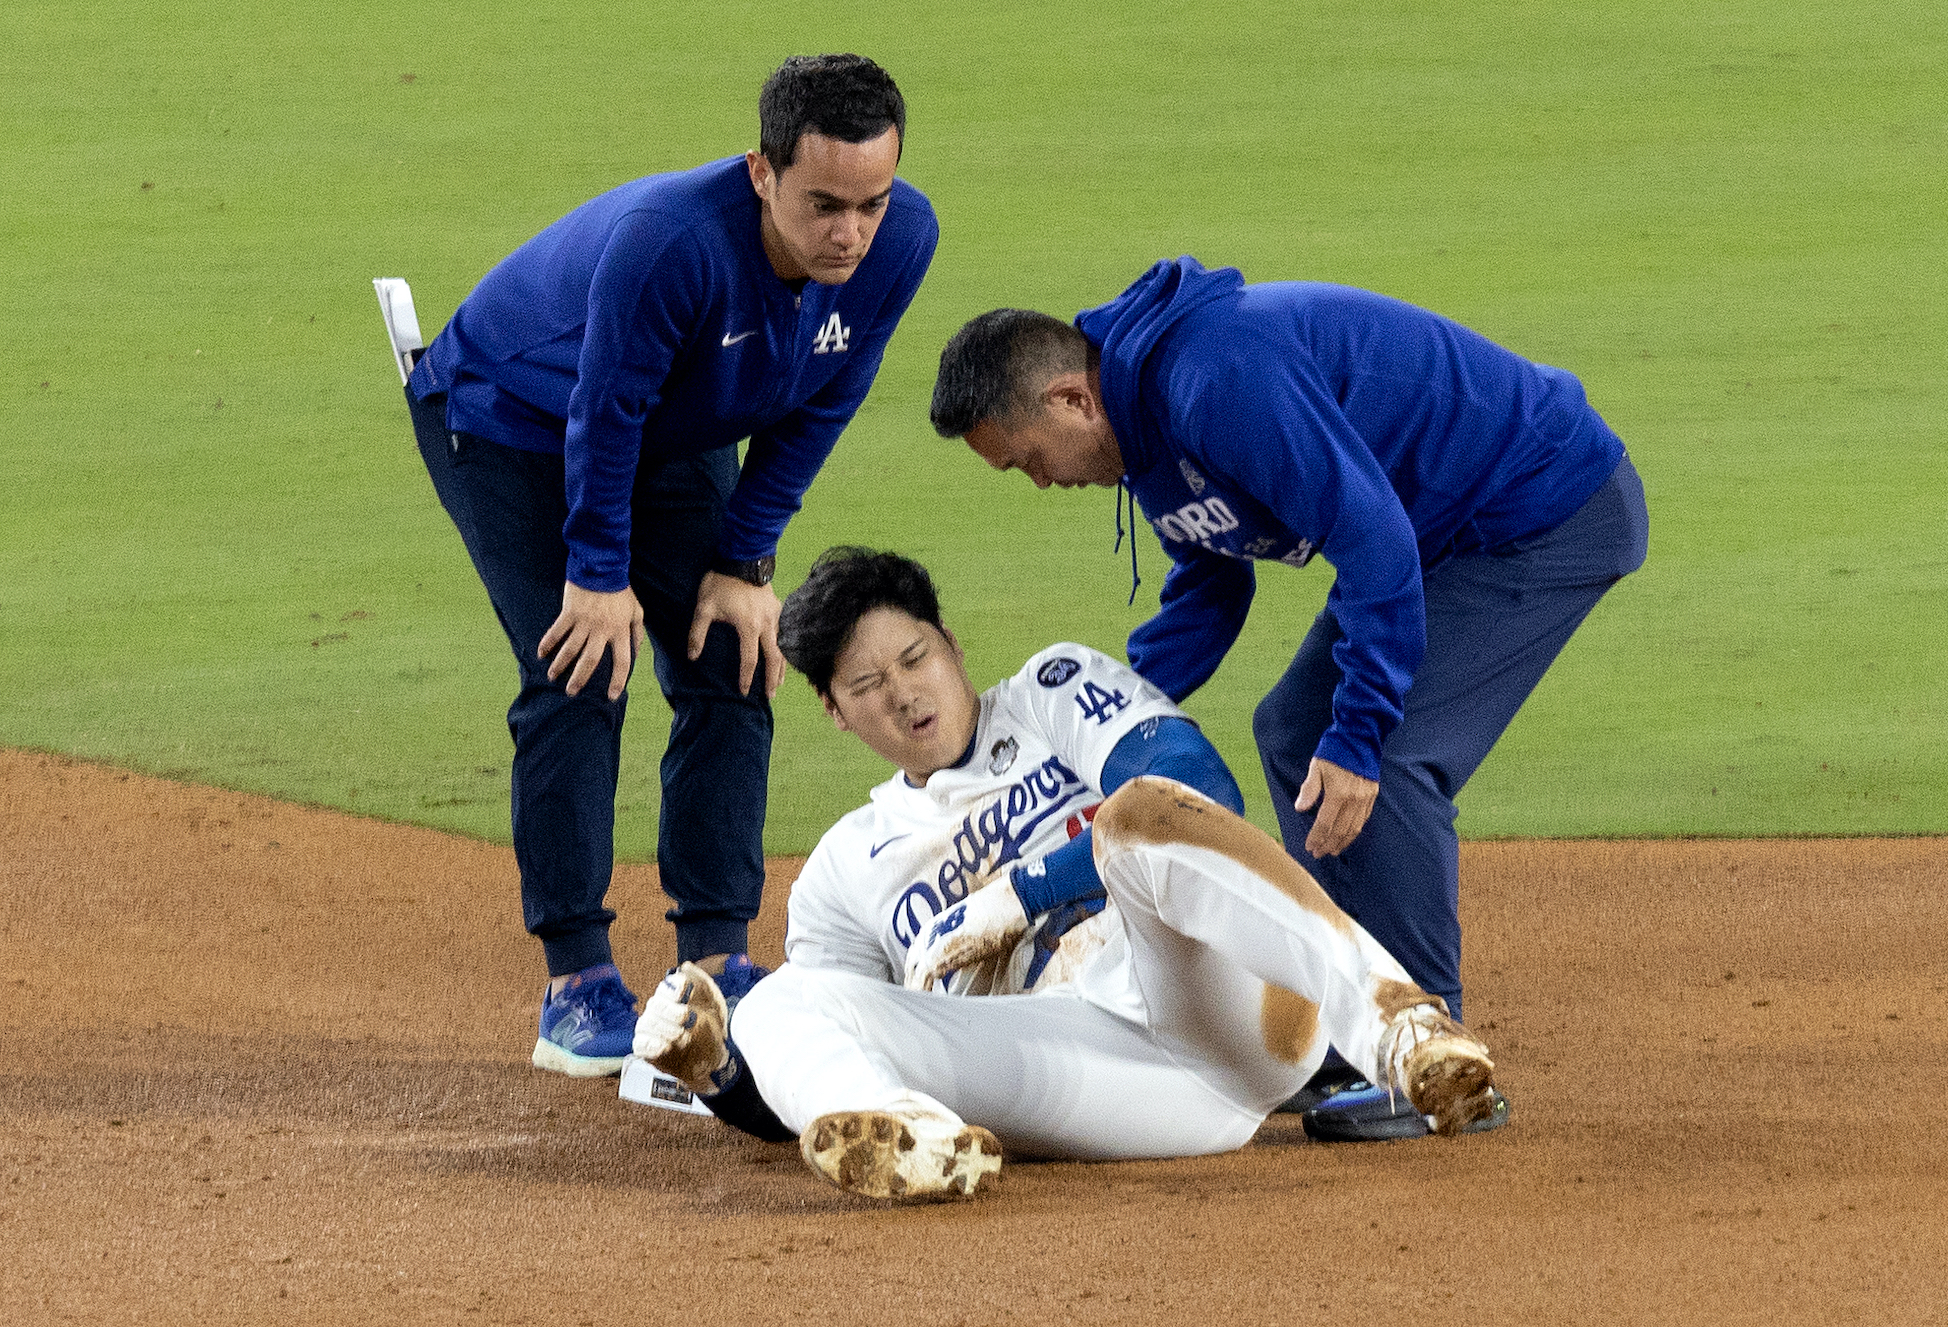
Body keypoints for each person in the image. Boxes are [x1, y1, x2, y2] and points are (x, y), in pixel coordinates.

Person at [928, 257, 1648, 1134]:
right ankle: (1352, 1024)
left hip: (1539, 509)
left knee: (1384, 751)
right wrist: (1112, 725)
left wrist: (1359, 733)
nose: (1041, 483)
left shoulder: (1214, 380)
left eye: (1029, 461)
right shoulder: (1145, 432)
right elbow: (1209, 584)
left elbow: (1374, 538)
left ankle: (1431, 1053)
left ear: (1074, 401)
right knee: (1293, 727)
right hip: (1433, 534)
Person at [631, 548, 1502, 1202]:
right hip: (1082, 1076)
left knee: (1133, 814)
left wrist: (1026, 889)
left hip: (1223, 1005)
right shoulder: (839, 872)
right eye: (865, 683)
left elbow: (1200, 793)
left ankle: (1398, 1028)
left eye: (914, 657)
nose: (902, 692)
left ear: (952, 644)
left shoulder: (1052, 691)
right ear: (832, 708)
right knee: (779, 1002)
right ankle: (921, 1140)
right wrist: (721, 1075)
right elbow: (826, 1047)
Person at [402, 56, 938, 1077]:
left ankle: (718, 961)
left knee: (735, 655)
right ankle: (576, 983)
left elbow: (825, 396)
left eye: (869, 203)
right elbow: (601, 409)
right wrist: (597, 575)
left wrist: (744, 558)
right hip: (509, 415)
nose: (849, 233)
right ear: (760, 172)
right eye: (823, 204)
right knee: (579, 668)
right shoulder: (675, 246)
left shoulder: (900, 240)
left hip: (675, 424)